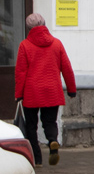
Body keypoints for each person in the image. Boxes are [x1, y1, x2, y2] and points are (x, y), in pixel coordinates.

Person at [14, 13, 77, 166]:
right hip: (52, 90)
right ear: (44, 24)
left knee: (31, 125)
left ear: (29, 28)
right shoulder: (57, 44)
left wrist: (18, 94)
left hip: (32, 92)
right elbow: (66, 68)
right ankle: (53, 141)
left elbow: (21, 72)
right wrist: (71, 89)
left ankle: (37, 159)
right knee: (50, 122)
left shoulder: (25, 45)